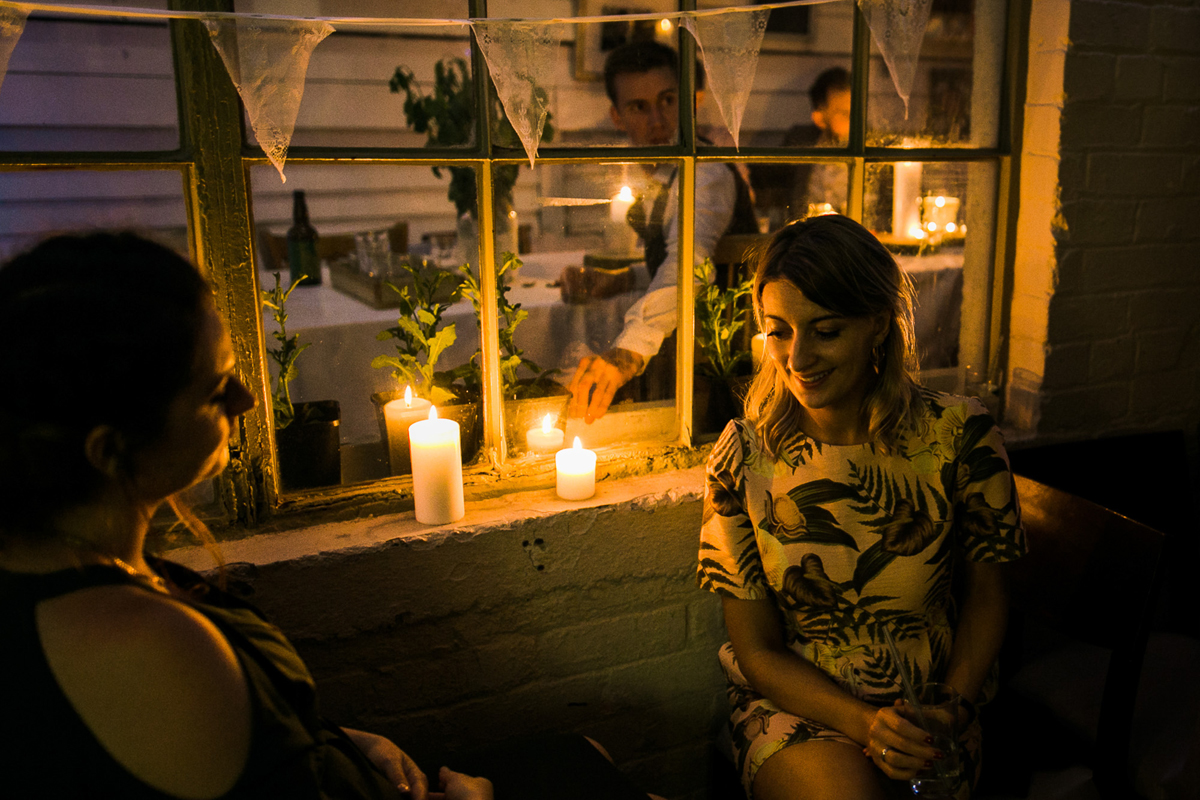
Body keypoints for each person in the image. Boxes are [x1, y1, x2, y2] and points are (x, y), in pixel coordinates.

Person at [0, 232, 658, 800]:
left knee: (578, 756)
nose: (248, 398)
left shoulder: (65, 562)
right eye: (213, 389)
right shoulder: (147, 650)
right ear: (111, 449)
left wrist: (337, 739)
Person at [696, 215, 1024, 800]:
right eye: (778, 332)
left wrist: (949, 706)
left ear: (877, 324)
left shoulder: (959, 436)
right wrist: (867, 726)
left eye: (825, 330)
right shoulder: (743, 458)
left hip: (936, 704)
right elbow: (756, 649)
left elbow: (988, 597)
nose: (797, 358)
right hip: (798, 706)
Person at [568, 40, 758, 423]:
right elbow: (671, 259)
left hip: (724, 361)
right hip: (683, 345)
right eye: (639, 106)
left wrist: (625, 355)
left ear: (688, 101)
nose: (657, 119)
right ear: (617, 116)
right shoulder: (657, 171)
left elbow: (690, 261)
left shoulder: (707, 173)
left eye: (668, 100)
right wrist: (622, 280)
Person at [784, 66, 852, 216]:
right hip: (809, 232)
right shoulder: (800, 141)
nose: (853, 120)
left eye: (855, 111)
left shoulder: (870, 144)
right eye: (844, 114)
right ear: (819, 116)